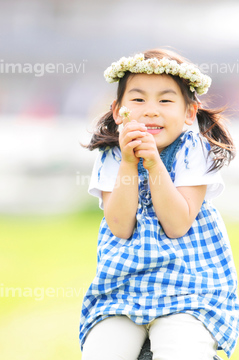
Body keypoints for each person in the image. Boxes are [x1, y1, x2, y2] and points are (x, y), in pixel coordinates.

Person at [79, 49, 239, 360]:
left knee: (180, 348)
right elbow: (120, 227)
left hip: (188, 283)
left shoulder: (194, 150)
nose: (151, 111)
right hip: (124, 286)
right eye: (138, 100)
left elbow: (177, 225)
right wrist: (129, 163)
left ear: (189, 112)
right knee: (102, 350)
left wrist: (153, 165)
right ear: (117, 110)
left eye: (165, 101)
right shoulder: (112, 155)